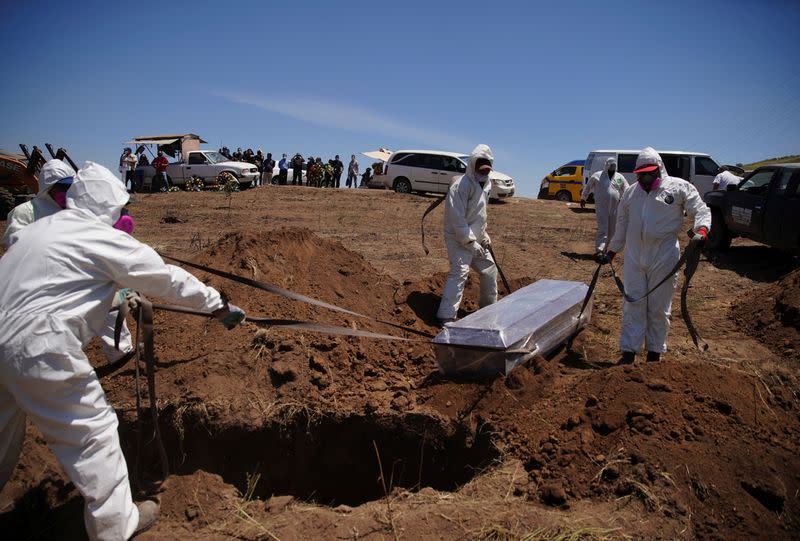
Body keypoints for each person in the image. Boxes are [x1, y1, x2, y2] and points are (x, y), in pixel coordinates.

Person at [0, 161, 246, 540]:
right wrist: (219, 306)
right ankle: (115, 526)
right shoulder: (100, 236)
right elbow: (167, 279)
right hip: (39, 345)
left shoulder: (39, 230)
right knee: (93, 432)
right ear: (108, 207)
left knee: (2, 433)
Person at [3, 158, 135, 362]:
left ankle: (121, 354)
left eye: (69, 187)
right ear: (48, 190)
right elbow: (14, 244)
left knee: (108, 303)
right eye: (61, 188)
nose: (66, 193)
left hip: (79, 272)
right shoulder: (27, 212)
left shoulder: (75, 209)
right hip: (42, 281)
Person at [605, 147, 711, 364]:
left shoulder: (678, 187)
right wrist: (612, 249)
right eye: (641, 174)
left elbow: (700, 209)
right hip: (635, 258)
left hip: (664, 258)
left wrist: (701, 230)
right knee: (633, 304)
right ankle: (629, 352)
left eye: (649, 173)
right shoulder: (631, 193)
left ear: (659, 170)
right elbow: (623, 224)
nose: (644, 178)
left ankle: (654, 353)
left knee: (659, 307)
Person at [436, 144, 498, 325]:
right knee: (460, 271)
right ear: (472, 165)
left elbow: (480, 213)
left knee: (489, 270)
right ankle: (446, 316)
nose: (483, 173)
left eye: (487, 171)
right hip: (457, 237)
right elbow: (457, 221)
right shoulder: (460, 187)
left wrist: (483, 235)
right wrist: (471, 243)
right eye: (481, 170)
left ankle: (489, 311)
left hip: (476, 239)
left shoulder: (487, 183)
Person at [580, 157, 629, 257]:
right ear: (606, 165)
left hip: (615, 207)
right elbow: (588, 187)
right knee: (603, 227)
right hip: (601, 206)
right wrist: (583, 198)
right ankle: (599, 250)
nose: (613, 167)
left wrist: (628, 200)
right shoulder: (597, 175)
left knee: (612, 230)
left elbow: (626, 189)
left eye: (614, 166)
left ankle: (605, 249)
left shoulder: (619, 177)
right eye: (611, 165)